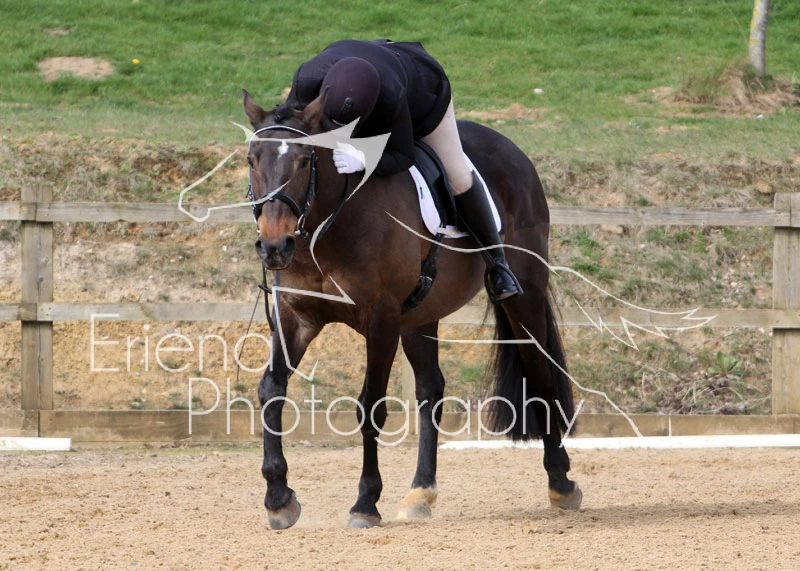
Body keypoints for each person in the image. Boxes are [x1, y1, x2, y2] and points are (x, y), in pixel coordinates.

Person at [287, 39, 521, 302]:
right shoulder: (306, 79)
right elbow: (286, 136)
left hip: (422, 94)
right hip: (369, 67)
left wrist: (367, 156)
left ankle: (498, 265)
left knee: (457, 175)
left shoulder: (392, 97)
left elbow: (403, 154)